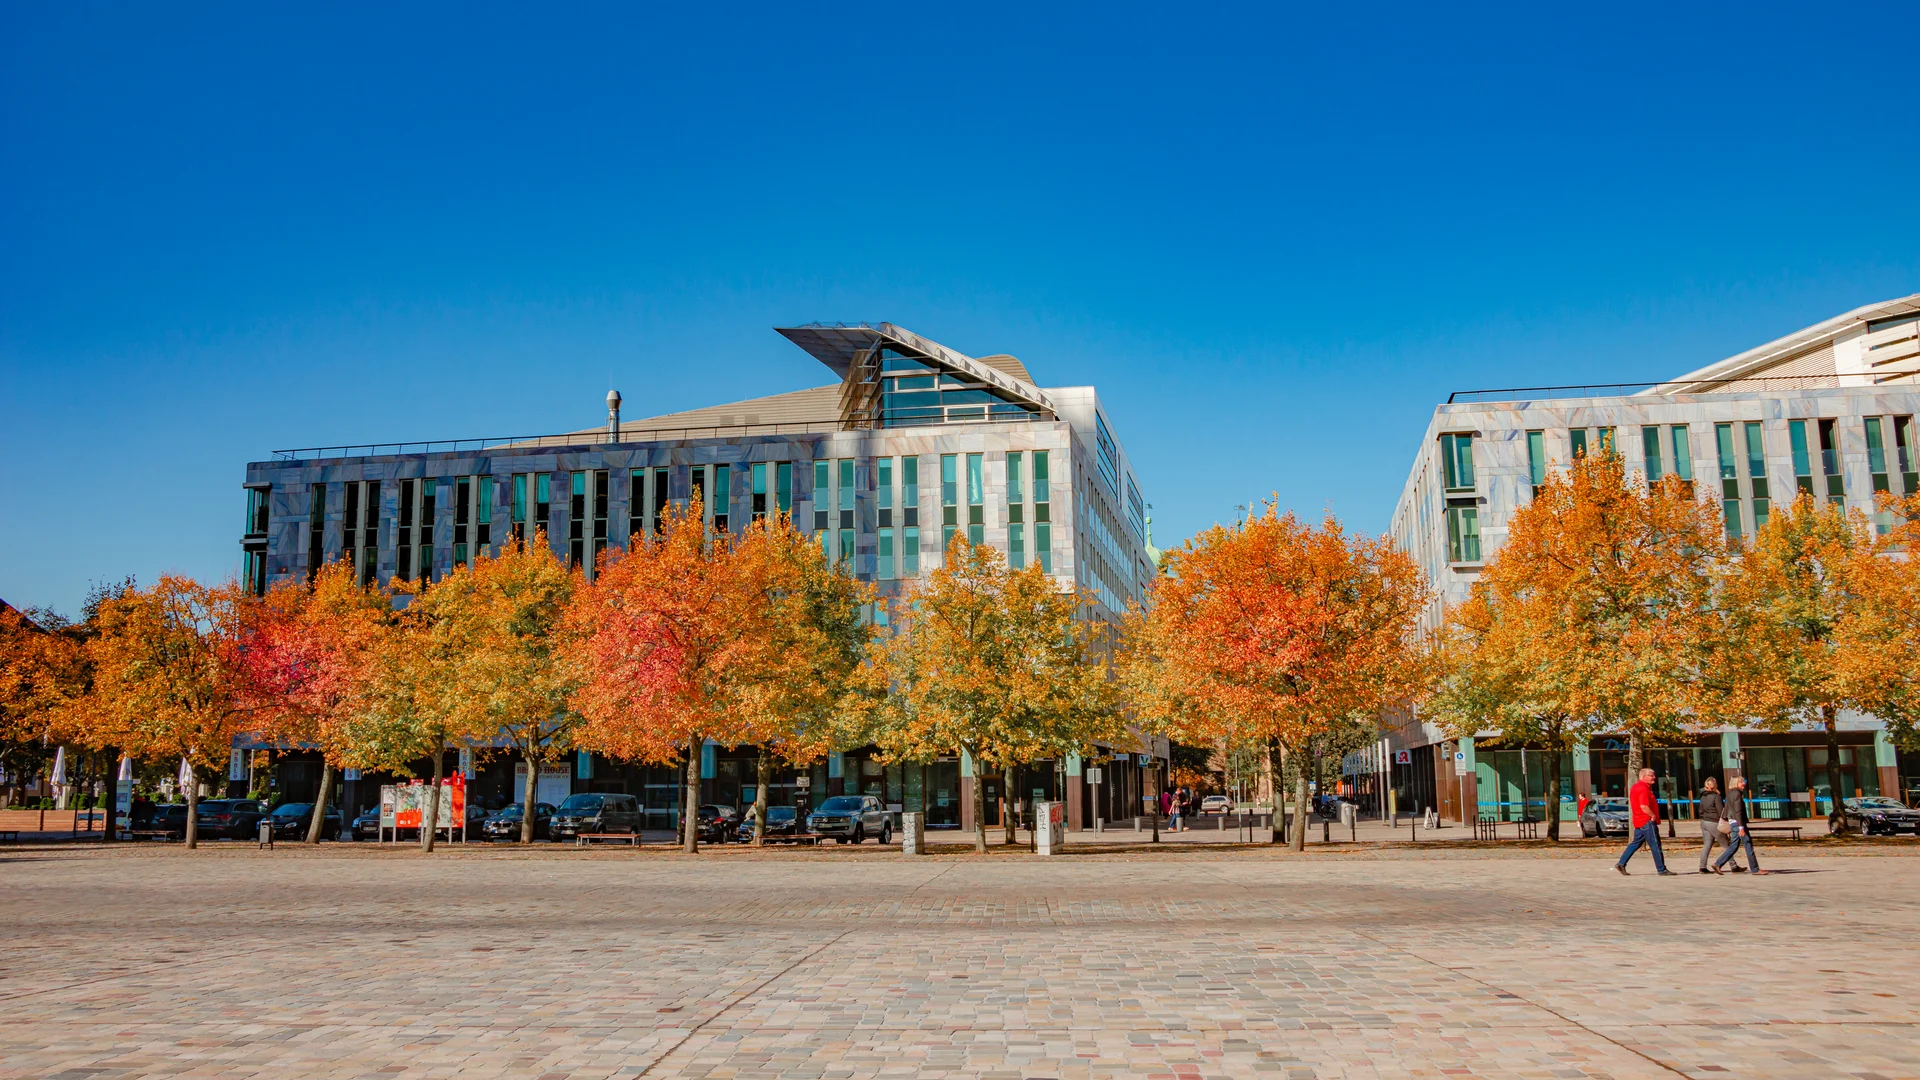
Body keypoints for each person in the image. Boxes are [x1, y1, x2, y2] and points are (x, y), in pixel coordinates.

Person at [1615, 766, 1675, 875]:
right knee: (1655, 845)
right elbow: (1644, 806)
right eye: (1651, 775)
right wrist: (1652, 816)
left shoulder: (1637, 787)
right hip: (1646, 820)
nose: (1654, 777)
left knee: (1635, 843)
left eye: (1654, 775)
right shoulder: (1643, 788)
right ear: (1643, 776)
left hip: (1639, 821)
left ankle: (1621, 863)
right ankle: (1661, 869)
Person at [1713, 775, 1766, 875]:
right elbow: (1738, 811)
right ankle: (1755, 869)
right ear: (1736, 783)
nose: (1744, 783)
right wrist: (1741, 827)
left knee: (1734, 845)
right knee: (1748, 844)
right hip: (1738, 823)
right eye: (1741, 782)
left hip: (1733, 822)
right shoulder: (1737, 794)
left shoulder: (1730, 793)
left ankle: (1718, 864)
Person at [1696, 777, 1726, 874]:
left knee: (1707, 845)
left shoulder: (1703, 797)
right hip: (1714, 822)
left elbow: (1700, 811)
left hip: (1704, 822)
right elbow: (1721, 811)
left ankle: (1702, 866)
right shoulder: (1716, 797)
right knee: (1726, 845)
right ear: (1715, 785)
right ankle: (1733, 865)